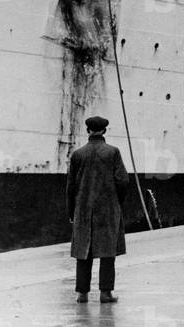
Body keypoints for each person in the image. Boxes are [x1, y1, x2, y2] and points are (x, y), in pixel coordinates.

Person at [67, 115, 129, 303]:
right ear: (104, 131)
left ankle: (82, 293)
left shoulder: (77, 155)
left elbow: (70, 187)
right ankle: (105, 293)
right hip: (107, 209)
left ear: (88, 131)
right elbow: (123, 181)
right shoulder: (113, 152)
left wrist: (72, 211)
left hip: (83, 209)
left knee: (83, 252)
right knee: (107, 252)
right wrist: (117, 202)